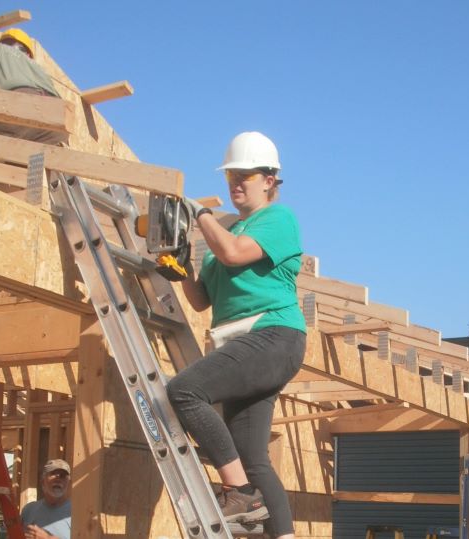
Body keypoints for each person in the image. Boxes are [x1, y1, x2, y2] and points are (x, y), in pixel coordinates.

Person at [165, 131, 306, 539]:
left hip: (273, 335)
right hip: (241, 343)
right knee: (252, 457)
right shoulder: (221, 239)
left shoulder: (278, 219)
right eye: (231, 176)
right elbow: (200, 300)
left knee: (185, 391)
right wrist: (179, 271)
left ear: (270, 180)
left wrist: (200, 213)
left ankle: (239, 493)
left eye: (246, 175)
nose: (236, 183)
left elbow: (234, 253)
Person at [20, 458, 72, 539]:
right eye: (53, 474)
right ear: (43, 482)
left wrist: (47, 538)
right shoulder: (29, 510)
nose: (58, 479)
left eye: (63, 476)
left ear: (68, 483)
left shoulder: (77, 512)